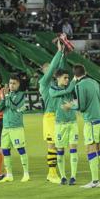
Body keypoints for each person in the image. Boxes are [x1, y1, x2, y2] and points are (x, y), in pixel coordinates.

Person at [62, 65, 100, 189]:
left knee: (90, 149)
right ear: (86, 72)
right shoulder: (94, 82)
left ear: (75, 76)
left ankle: (95, 181)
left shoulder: (79, 85)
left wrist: (70, 106)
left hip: (91, 121)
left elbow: (82, 106)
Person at [39, 43, 65, 184]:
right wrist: (58, 51)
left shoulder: (56, 84)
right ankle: (52, 173)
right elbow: (54, 69)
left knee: (59, 145)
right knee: (52, 145)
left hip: (60, 117)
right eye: (47, 68)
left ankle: (54, 173)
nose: (51, 70)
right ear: (44, 71)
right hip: (50, 117)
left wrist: (62, 54)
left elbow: (60, 69)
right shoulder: (43, 82)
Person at [49, 69, 79, 186]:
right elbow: (56, 94)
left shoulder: (72, 89)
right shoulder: (53, 89)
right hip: (60, 124)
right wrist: (73, 82)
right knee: (60, 150)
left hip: (72, 123)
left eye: (68, 78)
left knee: (73, 149)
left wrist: (70, 105)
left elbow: (77, 103)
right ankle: (63, 177)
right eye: (65, 78)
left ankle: (73, 176)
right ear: (58, 78)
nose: (67, 80)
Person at [0, 75, 29, 183]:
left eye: (14, 83)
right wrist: (3, 98)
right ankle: (9, 175)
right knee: (5, 150)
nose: (11, 85)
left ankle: (26, 174)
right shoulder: (7, 95)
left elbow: (14, 106)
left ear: (18, 84)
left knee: (20, 149)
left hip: (16, 127)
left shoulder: (20, 95)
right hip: (6, 127)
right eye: (10, 83)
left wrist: (6, 96)